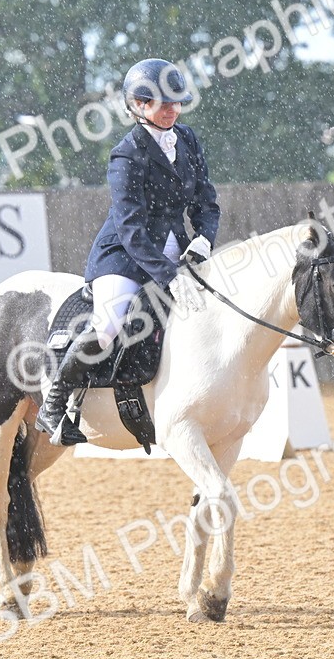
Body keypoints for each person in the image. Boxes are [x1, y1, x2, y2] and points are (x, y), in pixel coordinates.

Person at [35, 58, 221, 445]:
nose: (172, 110)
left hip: (175, 246)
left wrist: (202, 240)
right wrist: (169, 276)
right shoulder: (126, 155)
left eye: (177, 103)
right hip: (123, 256)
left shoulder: (186, 140)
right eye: (162, 104)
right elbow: (132, 230)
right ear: (137, 105)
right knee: (107, 326)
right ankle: (53, 406)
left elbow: (206, 201)